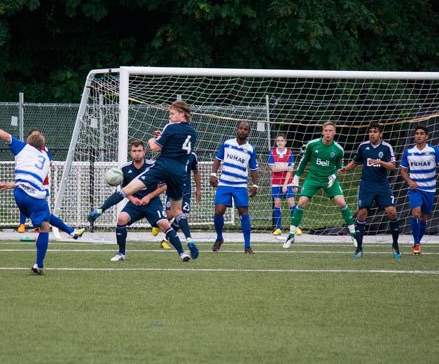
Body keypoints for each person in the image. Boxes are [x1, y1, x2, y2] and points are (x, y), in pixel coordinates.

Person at [90, 100, 198, 259]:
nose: (170, 116)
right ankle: (189, 240)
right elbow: (177, 147)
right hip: (179, 173)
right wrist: (162, 138)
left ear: (182, 114)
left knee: (126, 189)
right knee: (177, 211)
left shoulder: (171, 127)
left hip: (163, 167)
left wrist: (151, 140)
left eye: (172, 113)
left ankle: (100, 210)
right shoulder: (193, 132)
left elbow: (155, 148)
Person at [0, 122, 51, 274]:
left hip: (19, 194)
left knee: (41, 224)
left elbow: (4, 135)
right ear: (41, 147)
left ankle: (28, 227)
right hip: (34, 196)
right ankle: (39, 264)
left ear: (28, 141)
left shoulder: (22, 148)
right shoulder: (46, 159)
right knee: (45, 227)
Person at [87, 140, 190, 261]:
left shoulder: (153, 166)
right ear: (130, 153)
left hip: (152, 202)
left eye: (139, 151)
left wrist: (148, 197)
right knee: (121, 219)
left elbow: (163, 186)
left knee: (164, 223)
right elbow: (124, 189)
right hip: (134, 204)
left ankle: (182, 253)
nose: (137, 153)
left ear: (144, 152)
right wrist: (132, 198)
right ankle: (121, 253)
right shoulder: (125, 169)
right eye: (134, 151)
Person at [283, 122, 356, 249]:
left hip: (329, 179)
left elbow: (339, 168)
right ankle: (291, 235)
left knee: (342, 203)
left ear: (334, 133)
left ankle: (354, 235)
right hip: (313, 178)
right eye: (326, 130)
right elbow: (304, 161)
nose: (328, 133)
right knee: (301, 203)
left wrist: (334, 176)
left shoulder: (338, 149)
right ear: (322, 132)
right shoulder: (312, 145)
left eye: (330, 131)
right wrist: (296, 177)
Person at [338, 122, 401, 259]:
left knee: (392, 211)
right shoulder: (363, 146)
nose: (372, 134)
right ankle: (359, 248)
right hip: (366, 184)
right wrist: (344, 169)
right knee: (362, 213)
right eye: (370, 131)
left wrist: (380, 162)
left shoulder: (386, 148)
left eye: (375, 131)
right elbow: (356, 161)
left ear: (380, 134)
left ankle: (395, 244)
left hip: (382, 184)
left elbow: (392, 166)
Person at [14, 129, 84, 240]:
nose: (36, 137)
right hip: (30, 185)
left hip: (40, 185)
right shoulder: (25, 150)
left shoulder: (44, 150)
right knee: (42, 212)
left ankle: (66, 230)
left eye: (38, 135)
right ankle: (25, 225)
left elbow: (49, 162)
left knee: (44, 212)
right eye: (34, 135)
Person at [210, 120, 259, 254]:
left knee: (243, 212)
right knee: (219, 211)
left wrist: (255, 185)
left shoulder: (251, 149)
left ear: (249, 133)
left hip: (240, 185)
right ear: (236, 130)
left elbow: (253, 169)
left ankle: (247, 246)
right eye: (241, 128)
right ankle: (219, 238)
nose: (242, 131)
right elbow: (217, 160)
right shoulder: (227, 143)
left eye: (245, 129)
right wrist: (213, 174)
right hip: (225, 183)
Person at [399, 125, 439, 255]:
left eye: (421, 133)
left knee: (424, 218)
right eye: (416, 133)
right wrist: (410, 181)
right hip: (415, 189)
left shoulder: (434, 150)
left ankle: (418, 241)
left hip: (430, 189)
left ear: (427, 136)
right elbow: (403, 171)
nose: (419, 135)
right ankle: (416, 243)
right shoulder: (408, 152)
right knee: (416, 213)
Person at [268, 135, 301, 237]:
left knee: (291, 204)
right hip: (276, 183)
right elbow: (273, 169)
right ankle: (278, 228)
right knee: (277, 204)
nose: (280, 142)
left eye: (282, 140)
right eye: (278, 141)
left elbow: (290, 171)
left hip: (288, 182)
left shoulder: (289, 153)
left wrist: (285, 184)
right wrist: (286, 168)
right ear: (276, 142)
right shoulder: (272, 153)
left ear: (285, 142)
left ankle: (296, 227)